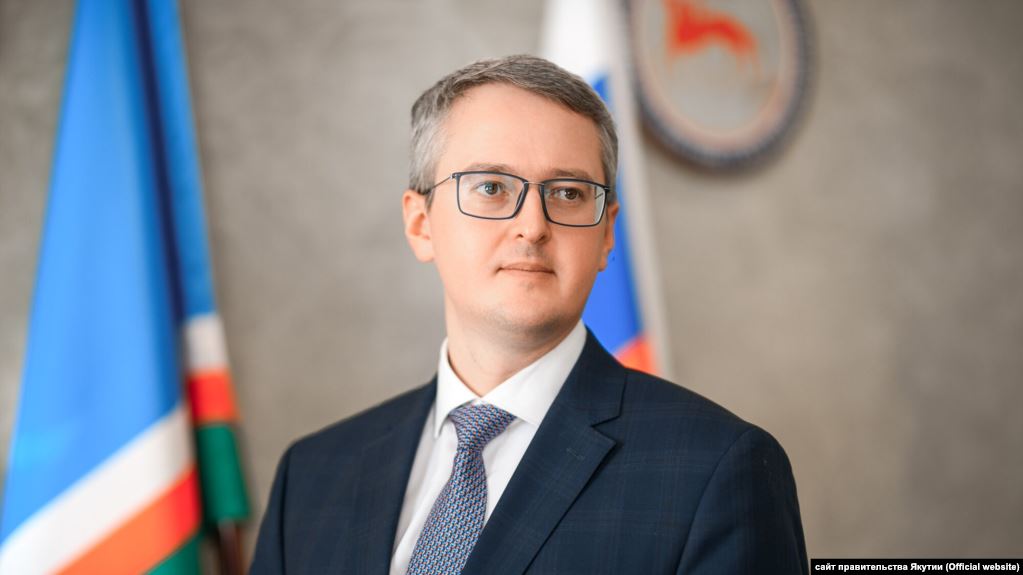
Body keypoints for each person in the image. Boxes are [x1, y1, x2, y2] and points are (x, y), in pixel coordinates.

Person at [250, 55, 808, 575]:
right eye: (491, 187)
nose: (533, 226)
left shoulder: (717, 470)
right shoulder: (312, 475)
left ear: (606, 234)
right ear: (421, 225)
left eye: (568, 193)